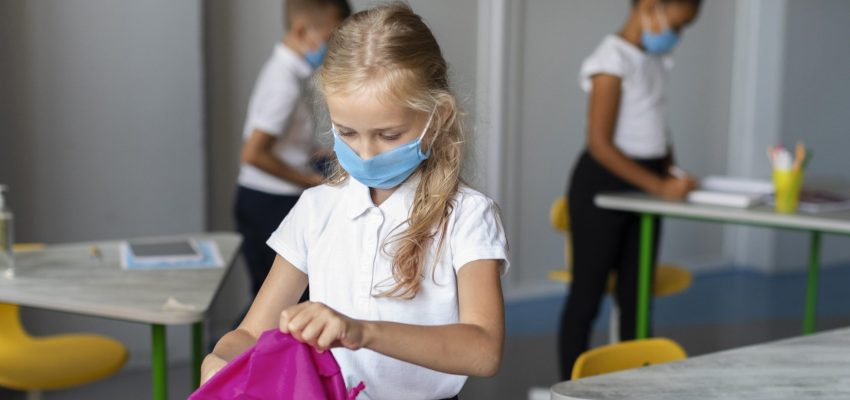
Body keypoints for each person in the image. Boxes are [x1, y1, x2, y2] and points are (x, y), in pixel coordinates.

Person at [205, 3, 510, 399]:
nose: (365, 154)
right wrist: (221, 361)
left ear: (439, 116)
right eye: (346, 132)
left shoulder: (468, 215)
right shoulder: (315, 209)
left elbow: (484, 350)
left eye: (388, 135)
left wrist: (362, 331)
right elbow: (249, 333)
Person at [558, 0, 701, 380]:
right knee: (587, 297)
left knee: (637, 296)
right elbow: (599, 144)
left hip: (646, 186)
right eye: (677, 25)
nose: (677, 35)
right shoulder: (612, 60)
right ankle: (570, 386)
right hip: (604, 186)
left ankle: (637, 383)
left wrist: (673, 172)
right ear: (651, 7)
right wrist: (660, 187)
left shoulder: (654, 60)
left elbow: (656, 126)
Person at [235, 0, 351, 299]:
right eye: (330, 38)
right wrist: (311, 181)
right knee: (278, 300)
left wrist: (317, 154)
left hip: (276, 195)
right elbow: (252, 154)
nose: (333, 48)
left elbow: (288, 142)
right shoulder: (283, 82)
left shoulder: (296, 75)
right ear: (301, 31)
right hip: (268, 201)